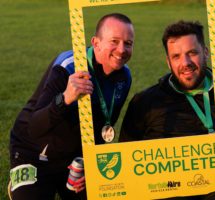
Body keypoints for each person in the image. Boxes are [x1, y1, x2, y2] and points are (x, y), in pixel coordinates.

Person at [119, 20, 215, 200]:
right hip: (167, 190)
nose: (186, 62)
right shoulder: (146, 102)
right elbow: (125, 159)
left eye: (192, 53)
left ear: (205, 52)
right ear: (168, 62)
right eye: (176, 56)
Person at [9, 13, 134, 200]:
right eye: (114, 41)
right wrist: (66, 98)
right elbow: (35, 128)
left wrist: (90, 165)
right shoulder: (68, 66)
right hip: (34, 151)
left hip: (73, 159)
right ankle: (21, 186)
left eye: (128, 43)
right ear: (96, 42)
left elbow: (103, 128)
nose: (122, 49)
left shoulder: (124, 77)